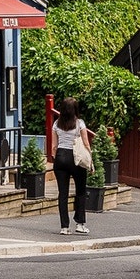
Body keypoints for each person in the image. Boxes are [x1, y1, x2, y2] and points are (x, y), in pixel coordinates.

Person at [51, 97, 96, 235]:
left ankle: (64, 227)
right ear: (75, 109)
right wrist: (91, 162)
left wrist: (57, 158)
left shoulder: (56, 124)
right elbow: (86, 144)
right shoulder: (80, 123)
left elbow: (53, 147)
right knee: (80, 191)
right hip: (76, 158)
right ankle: (80, 223)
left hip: (61, 158)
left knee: (62, 194)